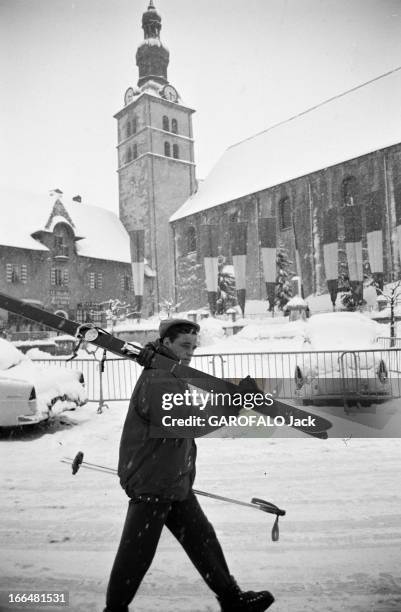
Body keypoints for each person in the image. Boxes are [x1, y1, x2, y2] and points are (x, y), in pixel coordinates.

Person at [104, 318, 274, 612]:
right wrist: (234, 404)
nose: (190, 352)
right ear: (167, 343)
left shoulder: (169, 372)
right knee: (136, 554)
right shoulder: (160, 378)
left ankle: (232, 600)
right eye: (185, 345)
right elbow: (188, 423)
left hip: (172, 479)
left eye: (194, 347)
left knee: (203, 540)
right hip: (153, 480)